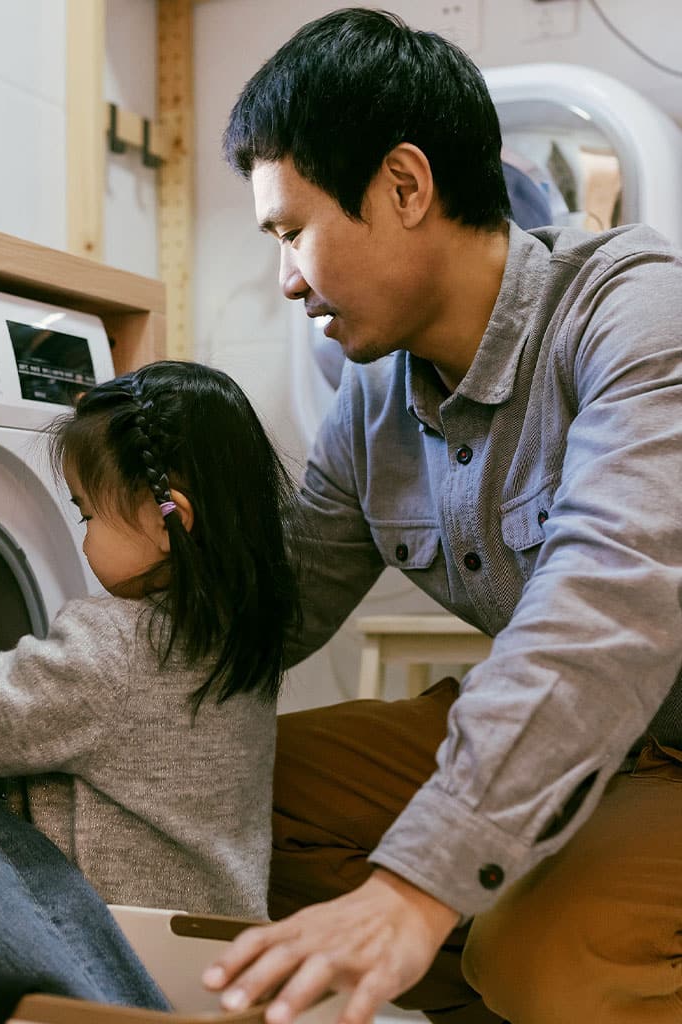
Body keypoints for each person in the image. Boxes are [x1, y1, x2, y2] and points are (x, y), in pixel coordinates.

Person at [203, 9, 682, 1024]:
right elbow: (267, 619)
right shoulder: (372, 403)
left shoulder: (633, 319)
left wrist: (416, 887)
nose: (286, 279)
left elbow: (603, 610)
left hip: (668, 736)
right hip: (574, 743)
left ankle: (537, 957)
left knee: (547, 956)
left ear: (405, 186)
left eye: (293, 232)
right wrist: (30, 687)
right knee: (233, 791)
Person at [0, 360, 300, 919]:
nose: (84, 536)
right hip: (215, 940)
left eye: (87, 514)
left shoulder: (111, 645)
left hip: (119, 952)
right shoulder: (237, 636)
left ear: (168, 523)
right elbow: (100, 709)